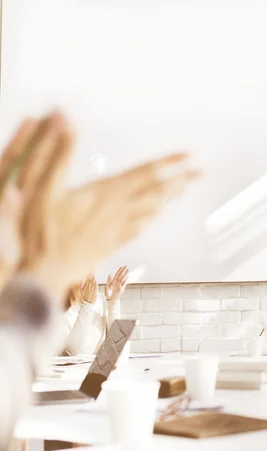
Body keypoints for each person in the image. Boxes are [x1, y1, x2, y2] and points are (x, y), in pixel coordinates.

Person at [0, 111, 200, 449]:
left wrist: (110, 301)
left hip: (85, 393)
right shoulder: (55, 311)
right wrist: (49, 277)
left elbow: (113, 352)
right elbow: (68, 350)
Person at [60, 266, 129, 356]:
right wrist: (87, 305)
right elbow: (69, 354)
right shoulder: (58, 310)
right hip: (72, 369)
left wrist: (113, 302)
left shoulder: (100, 301)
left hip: (100, 368)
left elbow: (117, 344)